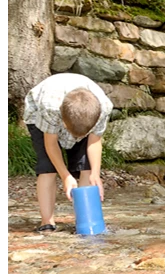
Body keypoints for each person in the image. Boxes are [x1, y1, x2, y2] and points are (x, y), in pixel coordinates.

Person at [23, 73, 114, 231]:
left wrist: (96, 174)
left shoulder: (103, 109)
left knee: (86, 168)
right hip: (39, 115)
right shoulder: (50, 108)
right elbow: (50, 144)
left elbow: (94, 141)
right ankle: (47, 222)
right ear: (63, 123)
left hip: (84, 113)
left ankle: (85, 221)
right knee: (47, 168)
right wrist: (65, 176)